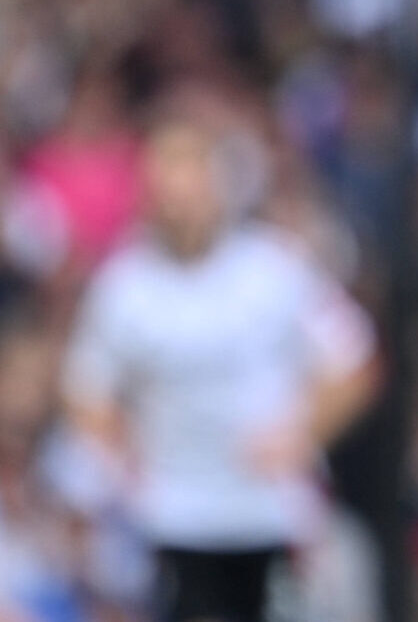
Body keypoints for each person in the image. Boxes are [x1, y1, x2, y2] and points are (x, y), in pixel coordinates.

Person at [61, 115, 379, 622]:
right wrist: (123, 463)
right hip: (172, 513)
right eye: (168, 186)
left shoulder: (274, 268)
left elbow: (354, 363)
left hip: (267, 510)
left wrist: (302, 434)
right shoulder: (124, 287)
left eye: (192, 183)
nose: (181, 203)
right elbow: (86, 391)